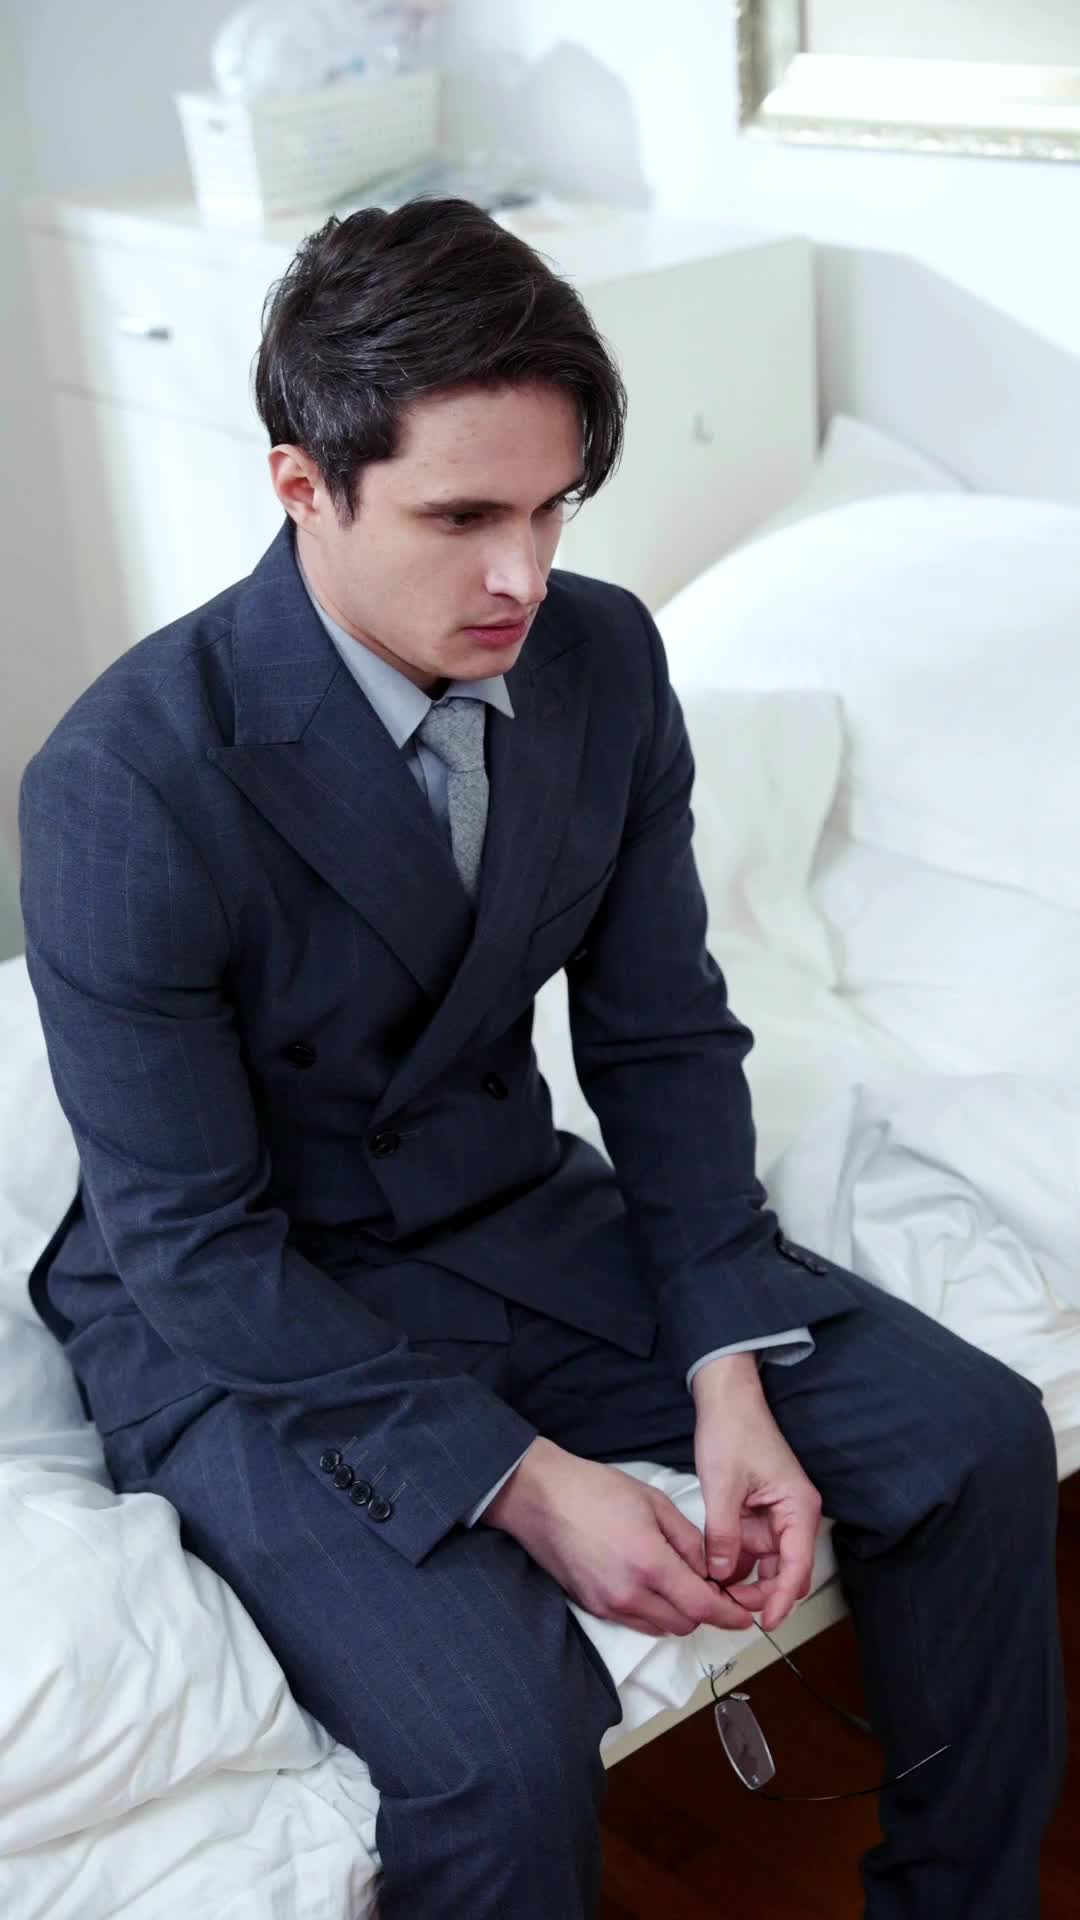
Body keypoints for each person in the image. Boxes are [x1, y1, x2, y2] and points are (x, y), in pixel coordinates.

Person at [19, 197, 1064, 1919]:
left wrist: (727, 1367)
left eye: (555, 507)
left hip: (506, 1210)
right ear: (303, 487)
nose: (522, 574)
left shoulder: (603, 660)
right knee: (504, 1754)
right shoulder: (123, 785)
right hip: (248, 1307)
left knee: (973, 1439)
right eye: (462, 517)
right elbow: (191, 1243)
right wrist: (524, 1484)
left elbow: (659, 1035)